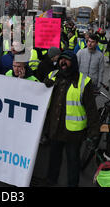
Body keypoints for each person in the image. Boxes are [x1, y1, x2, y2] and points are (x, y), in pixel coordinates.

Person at [43, 50, 101, 187]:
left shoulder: (84, 82)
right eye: (61, 59)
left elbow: (91, 110)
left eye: (67, 60)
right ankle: (51, 181)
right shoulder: (52, 76)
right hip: (55, 129)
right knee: (53, 159)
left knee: (73, 163)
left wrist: (94, 132)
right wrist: (44, 84)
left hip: (73, 133)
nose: (63, 62)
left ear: (73, 63)